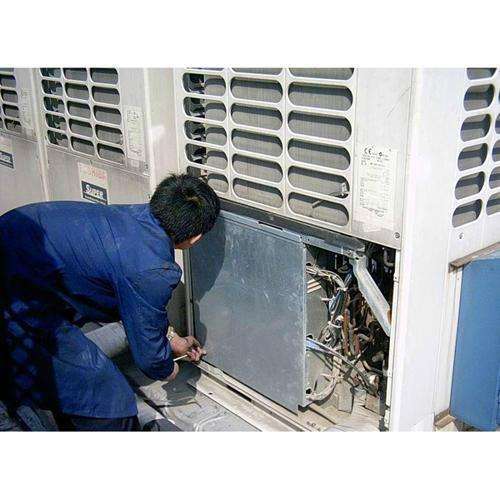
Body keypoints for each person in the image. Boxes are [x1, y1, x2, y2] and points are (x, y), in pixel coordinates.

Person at [0, 174, 220, 431]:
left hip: (20, 259)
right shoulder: (153, 268)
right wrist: (166, 368)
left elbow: (140, 307)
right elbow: (149, 357)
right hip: (14, 295)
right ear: (196, 238)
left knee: (68, 380)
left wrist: (171, 338)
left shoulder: (139, 217)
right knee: (107, 398)